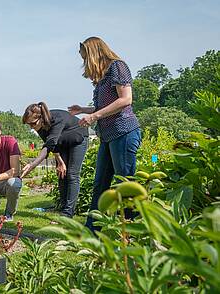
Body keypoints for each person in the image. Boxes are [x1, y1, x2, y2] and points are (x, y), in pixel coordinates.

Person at [68, 36, 141, 232]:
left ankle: (132, 230)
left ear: (94, 53)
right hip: (108, 136)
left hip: (124, 132)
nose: (85, 63)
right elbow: (105, 107)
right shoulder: (103, 76)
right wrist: (84, 109)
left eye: (85, 58)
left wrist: (95, 116)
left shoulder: (118, 66)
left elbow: (126, 100)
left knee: (125, 183)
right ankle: (93, 229)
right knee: (100, 184)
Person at [21, 102, 89, 218]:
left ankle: (67, 214)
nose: (32, 127)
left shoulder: (56, 119)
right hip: (62, 143)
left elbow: (49, 145)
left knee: (72, 175)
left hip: (79, 139)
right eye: (29, 125)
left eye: (32, 124)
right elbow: (52, 146)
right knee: (61, 174)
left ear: (41, 117)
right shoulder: (40, 126)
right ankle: (63, 209)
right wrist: (60, 162)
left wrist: (32, 165)